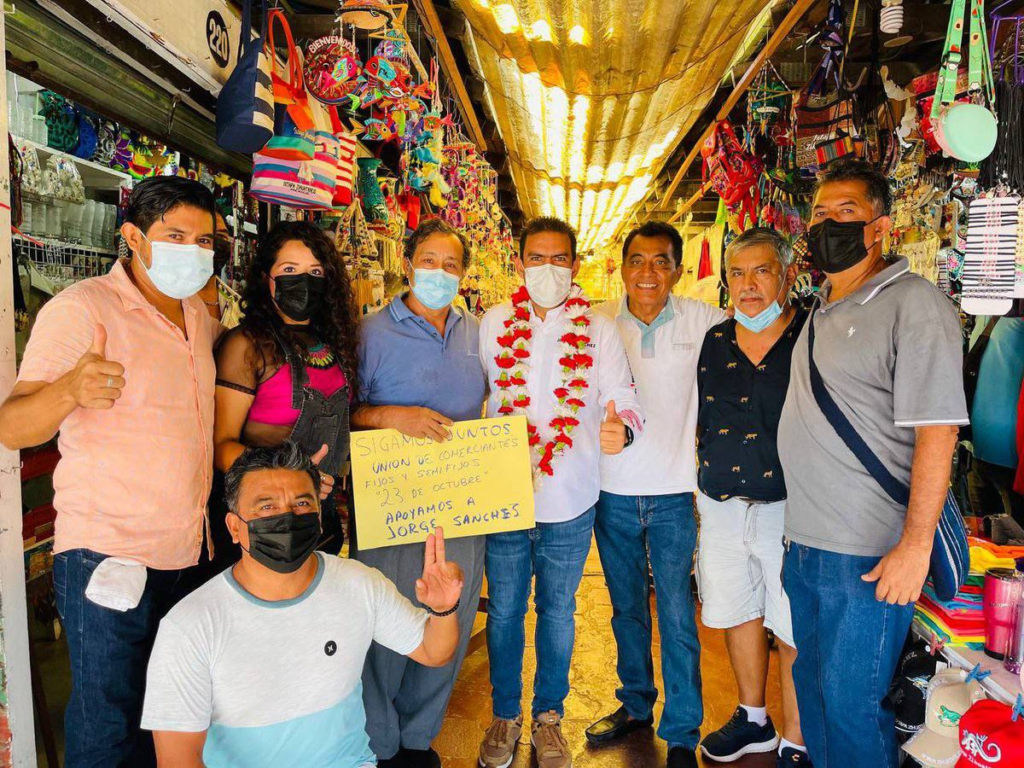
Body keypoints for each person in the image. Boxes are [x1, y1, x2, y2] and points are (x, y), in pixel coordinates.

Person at [0, 176, 221, 766]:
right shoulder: (83, 308)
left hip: (187, 554)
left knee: (171, 717)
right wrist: (69, 390)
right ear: (134, 237)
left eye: (204, 241)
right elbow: (12, 427)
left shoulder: (198, 315)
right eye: (175, 236)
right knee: (108, 727)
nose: (193, 252)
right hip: (108, 557)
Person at [778, 160, 968, 768]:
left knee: (853, 706)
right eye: (820, 213)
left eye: (847, 212)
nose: (828, 224)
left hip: (867, 555)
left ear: (880, 227)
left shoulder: (915, 305)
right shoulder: (821, 306)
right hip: (805, 546)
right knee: (815, 694)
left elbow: (938, 431)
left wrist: (915, 546)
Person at [140, 442, 464, 767]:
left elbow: (433, 651)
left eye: (302, 503)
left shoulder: (359, 584)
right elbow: (177, 759)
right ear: (234, 527)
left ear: (319, 518)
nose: (287, 517)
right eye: (267, 507)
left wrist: (443, 609)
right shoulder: (190, 626)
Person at [478, 217, 644, 768]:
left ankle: (548, 716)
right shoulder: (492, 323)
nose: (546, 268)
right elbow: (476, 396)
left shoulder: (598, 329)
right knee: (504, 611)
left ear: (574, 265)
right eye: (536, 257)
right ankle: (505, 716)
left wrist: (624, 427)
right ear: (519, 262)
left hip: (571, 498)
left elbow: (622, 394)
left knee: (557, 611)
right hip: (504, 497)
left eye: (557, 258)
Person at [350, 217, 487, 768]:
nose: (439, 272)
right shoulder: (369, 332)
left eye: (451, 264)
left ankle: (417, 738)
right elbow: (344, 410)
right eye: (429, 260)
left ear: (463, 275)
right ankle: (380, 741)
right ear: (407, 264)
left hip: (463, 501)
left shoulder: (480, 334)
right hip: (390, 501)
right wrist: (390, 416)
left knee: (451, 608)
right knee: (386, 611)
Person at [587, 222, 725, 768]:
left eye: (660, 261)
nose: (647, 272)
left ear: (678, 270)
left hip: (673, 494)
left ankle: (683, 730)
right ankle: (636, 703)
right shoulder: (595, 322)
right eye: (637, 260)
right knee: (626, 609)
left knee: (676, 614)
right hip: (610, 492)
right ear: (621, 267)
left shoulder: (704, 321)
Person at [694, 228, 809, 767]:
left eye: (761, 271)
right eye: (737, 274)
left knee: (791, 622)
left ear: (787, 275)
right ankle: (753, 719)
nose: (748, 285)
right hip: (721, 503)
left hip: (791, 506)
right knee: (738, 610)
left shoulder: (812, 335)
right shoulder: (715, 340)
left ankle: (797, 740)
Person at [214, 220, 359, 558]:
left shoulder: (336, 343)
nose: (303, 281)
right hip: (265, 518)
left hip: (321, 518)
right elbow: (220, 446)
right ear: (266, 277)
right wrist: (292, 473)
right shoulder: (246, 345)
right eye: (290, 269)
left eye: (315, 272)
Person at [964, 316, 1024, 526]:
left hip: (1013, 461)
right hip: (978, 450)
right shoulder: (985, 311)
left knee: (1015, 538)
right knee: (984, 537)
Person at [198, 211, 232, 321]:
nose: (214, 244)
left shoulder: (239, 306)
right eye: (204, 239)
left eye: (221, 236)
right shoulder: (166, 302)